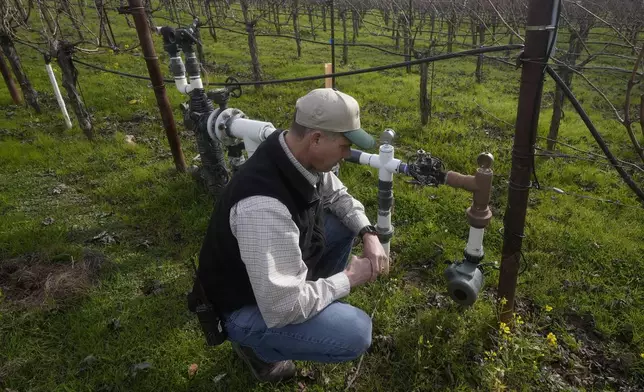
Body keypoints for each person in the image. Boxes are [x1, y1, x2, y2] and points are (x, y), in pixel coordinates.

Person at [197, 88, 389, 382]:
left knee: (342, 224)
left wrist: (368, 232)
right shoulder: (263, 207)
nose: (348, 154)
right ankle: (257, 349)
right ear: (316, 139)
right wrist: (349, 278)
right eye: (344, 145)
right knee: (355, 332)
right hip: (244, 305)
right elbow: (282, 308)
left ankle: (312, 305)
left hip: (268, 283)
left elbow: (338, 195)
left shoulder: (289, 150)